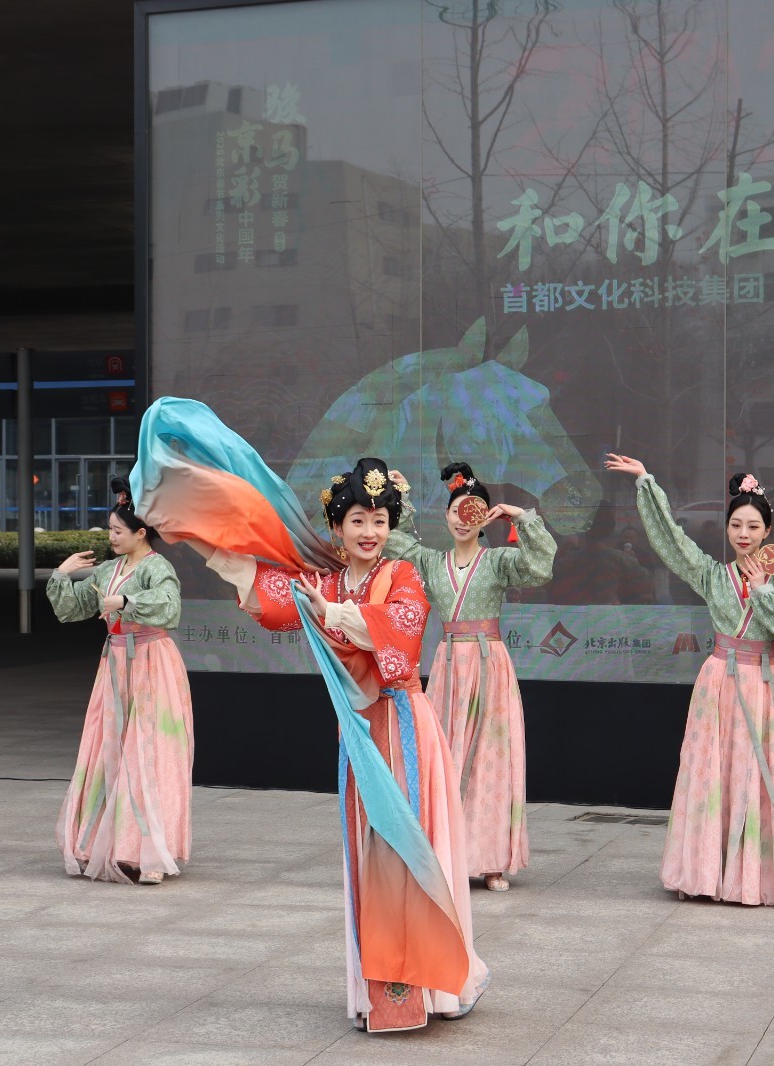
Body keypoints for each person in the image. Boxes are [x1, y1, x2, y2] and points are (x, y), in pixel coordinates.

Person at [129, 398, 487, 1033]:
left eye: (379, 520)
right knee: (372, 855)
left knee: (408, 849)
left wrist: (342, 616)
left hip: (404, 728)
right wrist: (197, 533)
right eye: (357, 520)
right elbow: (267, 593)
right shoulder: (320, 581)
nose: (369, 531)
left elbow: (403, 636)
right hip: (360, 731)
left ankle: (430, 988)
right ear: (337, 526)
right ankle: (384, 990)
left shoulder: (403, 575)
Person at [605, 455, 774, 906]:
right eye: (736, 525)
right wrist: (646, 481)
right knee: (712, 775)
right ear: (727, 528)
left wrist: (764, 589)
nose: (744, 534)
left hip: (763, 685)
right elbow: (672, 542)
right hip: (719, 684)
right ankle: (705, 873)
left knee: (770, 778)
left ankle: (762, 877)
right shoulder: (713, 575)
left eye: (753, 526)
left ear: (768, 531)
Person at [382, 462, 556, 891]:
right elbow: (394, 542)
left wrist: (521, 517)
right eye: (456, 511)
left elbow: (540, 566)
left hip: (489, 664)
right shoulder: (430, 562)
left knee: (491, 759)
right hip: (448, 667)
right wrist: (400, 497)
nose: (463, 519)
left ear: (484, 518)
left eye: (473, 511)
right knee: (442, 756)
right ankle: (443, 853)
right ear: (446, 515)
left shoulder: (497, 562)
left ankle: (491, 859)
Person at [48, 477, 192, 885]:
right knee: (108, 750)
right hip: (114, 665)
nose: (110, 536)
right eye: (110, 529)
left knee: (149, 754)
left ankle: (148, 852)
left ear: (141, 533)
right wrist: (61, 574)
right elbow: (71, 610)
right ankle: (104, 845)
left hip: (151, 662)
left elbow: (170, 606)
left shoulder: (157, 567)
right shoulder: (109, 569)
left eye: (117, 530)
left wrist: (127, 601)